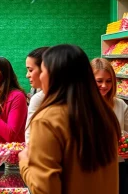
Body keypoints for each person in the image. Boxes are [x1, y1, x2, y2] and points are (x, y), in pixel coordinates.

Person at [19, 44, 121, 194]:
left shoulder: (47, 120)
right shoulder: (105, 113)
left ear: (54, 75)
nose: (39, 76)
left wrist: (25, 163)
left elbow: (45, 189)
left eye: (43, 71)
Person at [91, 58, 128, 194]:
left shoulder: (120, 105)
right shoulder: (81, 106)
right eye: (99, 81)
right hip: (91, 167)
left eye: (109, 80)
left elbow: (126, 134)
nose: (105, 86)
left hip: (117, 166)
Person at [25, 47, 49, 143]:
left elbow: (30, 140)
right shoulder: (36, 96)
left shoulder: (38, 98)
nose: (27, 75)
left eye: (30, 70)